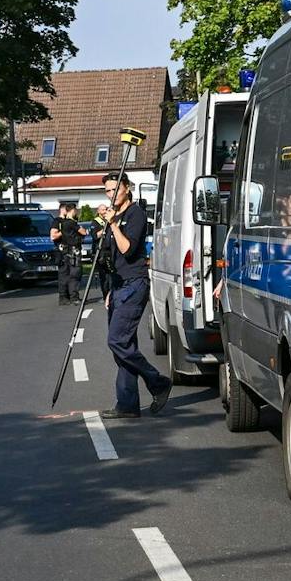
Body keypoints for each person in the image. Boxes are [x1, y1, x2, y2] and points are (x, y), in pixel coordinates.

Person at [97, 172, 171, 417]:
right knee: (124, 346)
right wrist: (109, 290)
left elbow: (127, 249)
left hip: (134, 283)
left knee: (116, 341)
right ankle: (127, 405)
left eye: (115, 189)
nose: (111, 194)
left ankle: (157, 382)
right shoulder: (113, 218)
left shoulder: (135, 214)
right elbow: (109, 258)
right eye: (107, 191)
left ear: (127, 188)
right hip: (118, 286)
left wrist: (114, 225)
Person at [50, 200, 82, 303]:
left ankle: (72, 296)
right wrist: (64, 231)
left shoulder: (71, 221)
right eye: (66, 208)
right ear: (62, 209)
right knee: (64, 274)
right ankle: (63, 297)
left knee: (73, 274)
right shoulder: (57, 221)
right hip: (62, 251)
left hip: (72, 250)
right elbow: (53, 236)